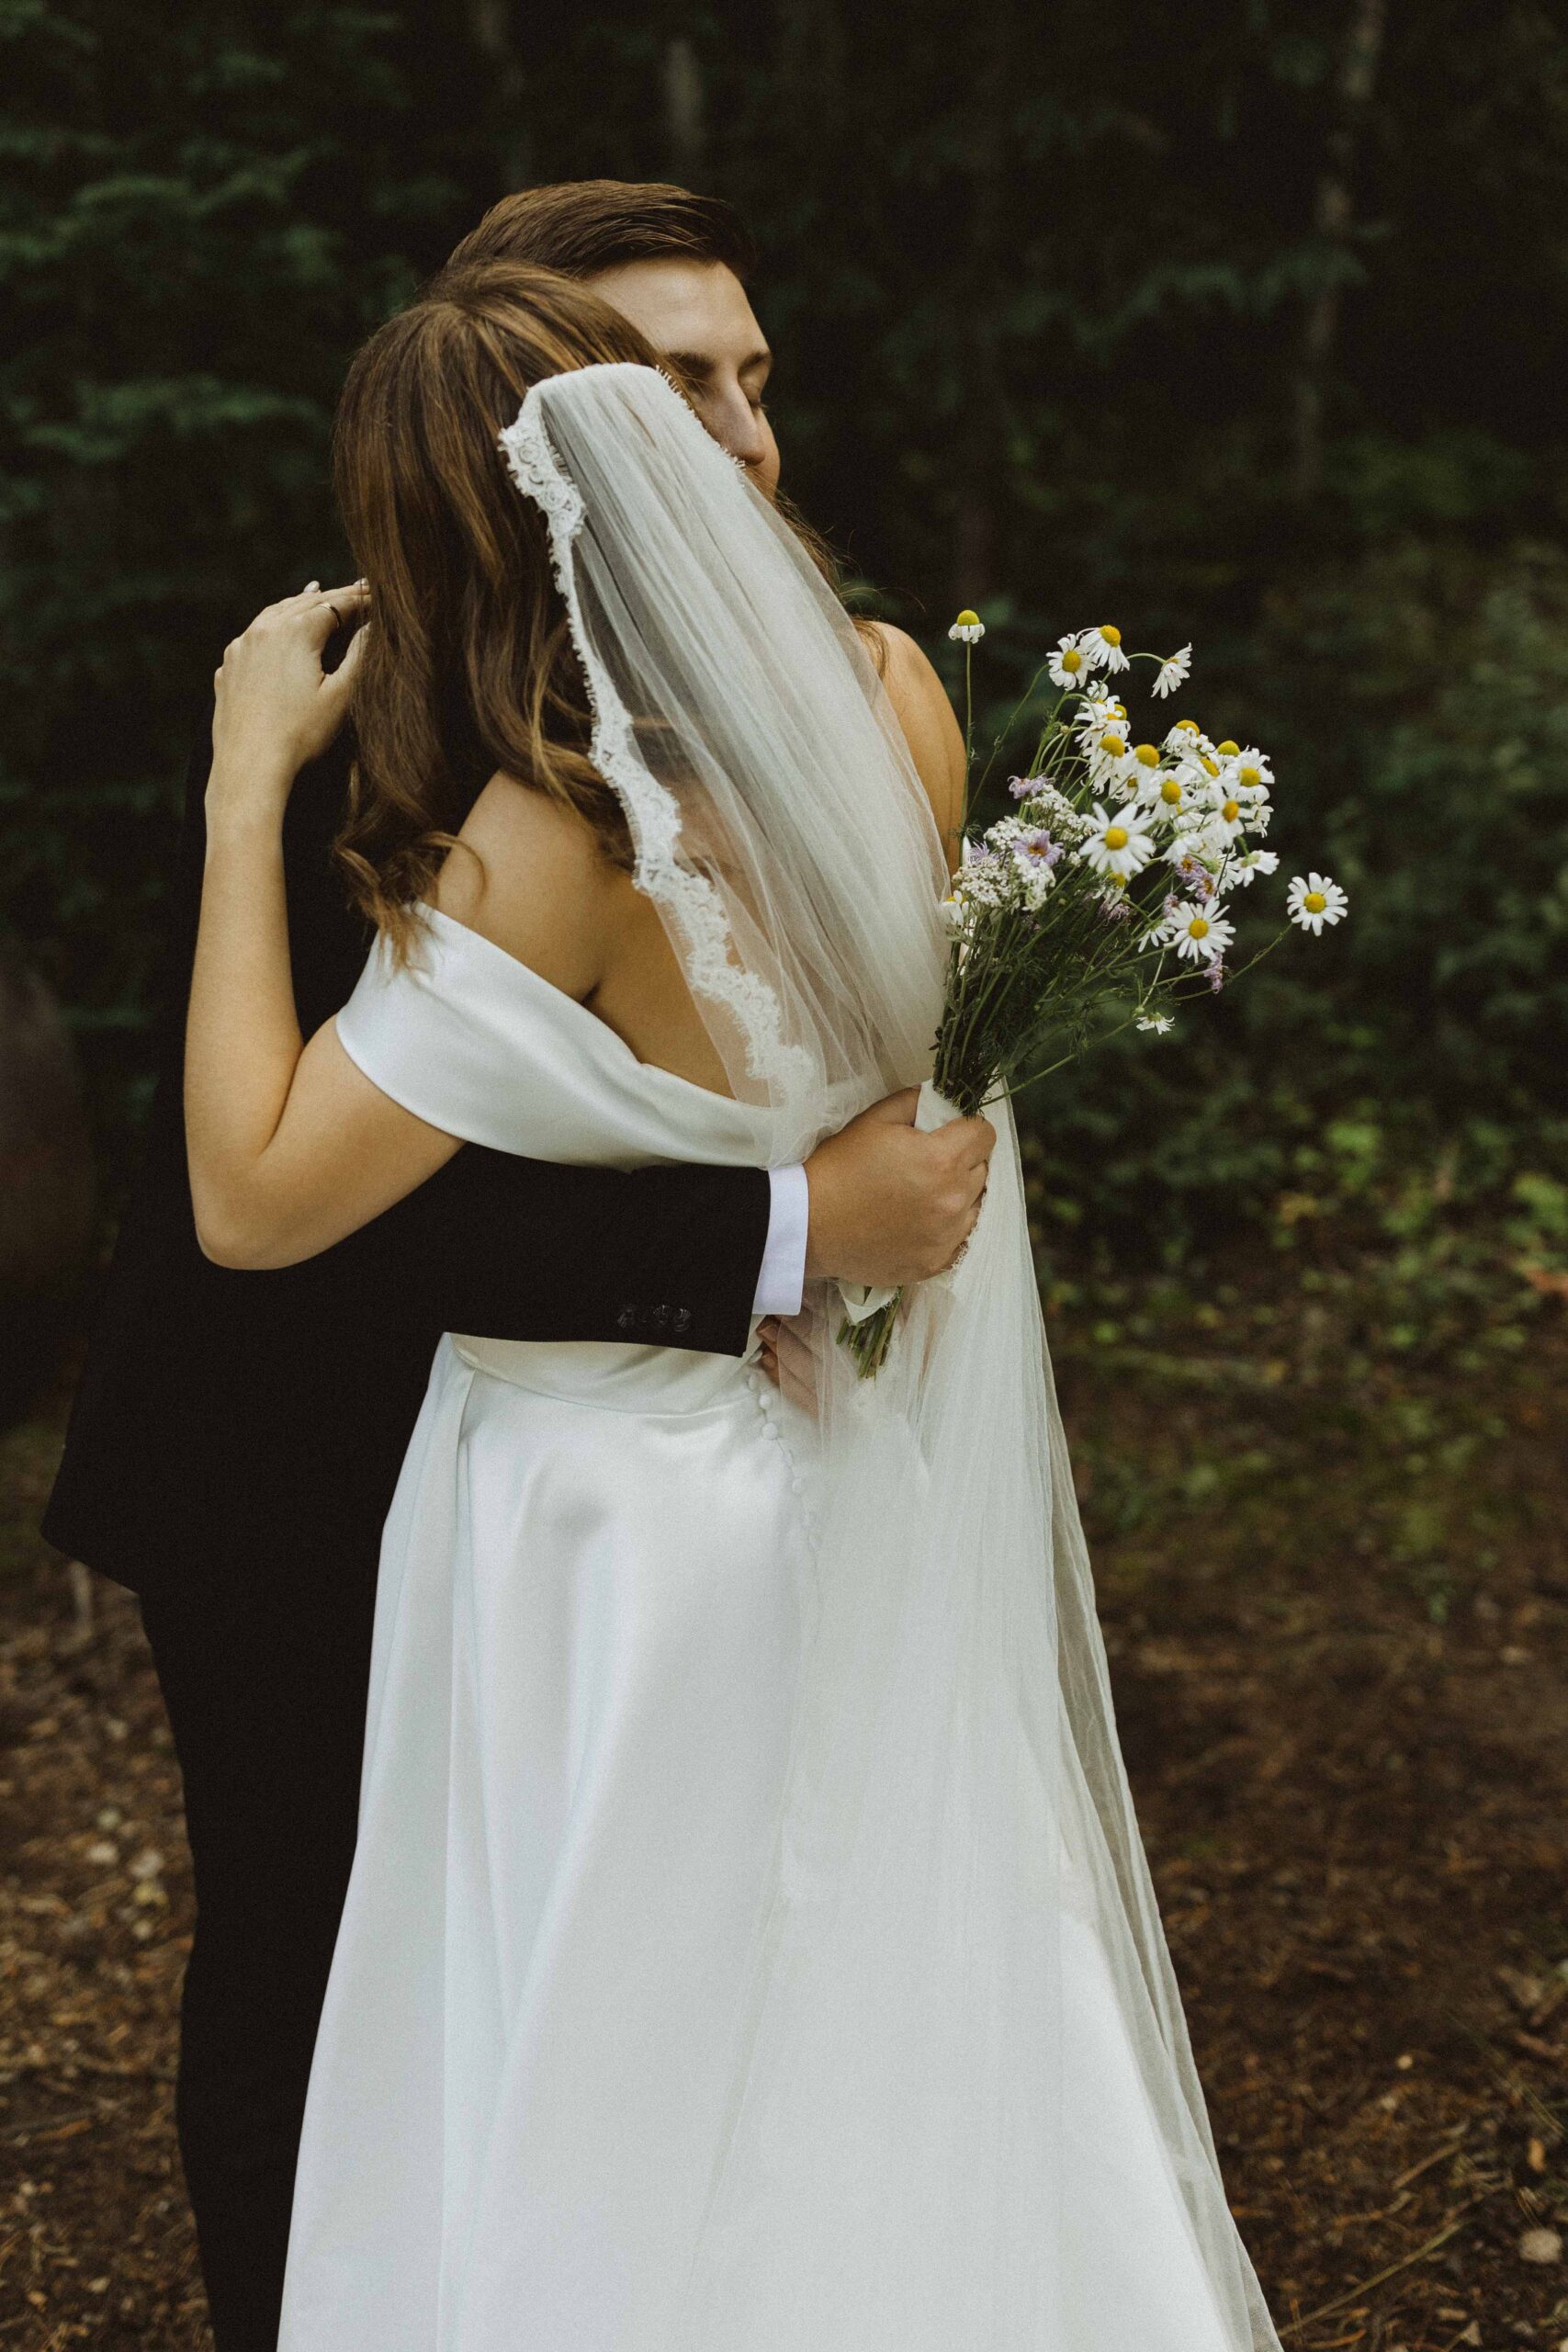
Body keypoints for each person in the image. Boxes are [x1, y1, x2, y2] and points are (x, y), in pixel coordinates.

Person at [188, 266, 1283, 2349]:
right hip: (828, 1455)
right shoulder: (874, 710)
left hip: (599, 1515)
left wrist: (248, 791)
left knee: (606, 2036)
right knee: (876, 1973)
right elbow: (918, 1100)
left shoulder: (540, 837)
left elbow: (250, 1194)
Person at [41, 184, 993, 2352]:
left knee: (631, 1966)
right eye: (674, 387)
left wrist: (828, 1227)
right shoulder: (366, 719)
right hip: (302, 1431)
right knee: (316, 1950)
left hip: (624, 1460)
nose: (734, 439)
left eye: (754, 380)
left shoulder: (810, 702)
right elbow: (312, 1204)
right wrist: (781, 1230)